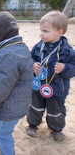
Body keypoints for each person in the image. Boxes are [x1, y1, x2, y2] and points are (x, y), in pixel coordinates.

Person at [0, 11, 33, 155]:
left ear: (0, 34)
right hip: (16, 103)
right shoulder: (17, 47)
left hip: (7, 107)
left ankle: (6, 149)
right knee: (1, 129)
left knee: (2, 133)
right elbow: (2, 69)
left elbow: (0, 88)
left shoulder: (8, 54)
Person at [26, 11, 75, 142]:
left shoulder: (67, 50)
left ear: (60, 32)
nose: (41, 34)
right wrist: (32, 65)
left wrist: (65, 68)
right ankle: (32, 125)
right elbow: (29, 59)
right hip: (38, 85)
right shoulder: (38, 46)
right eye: (41, 30)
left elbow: (73, 68)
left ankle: (57, 129)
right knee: (35, 106)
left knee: (56, 111)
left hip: (57, 88)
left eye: (46, 31)